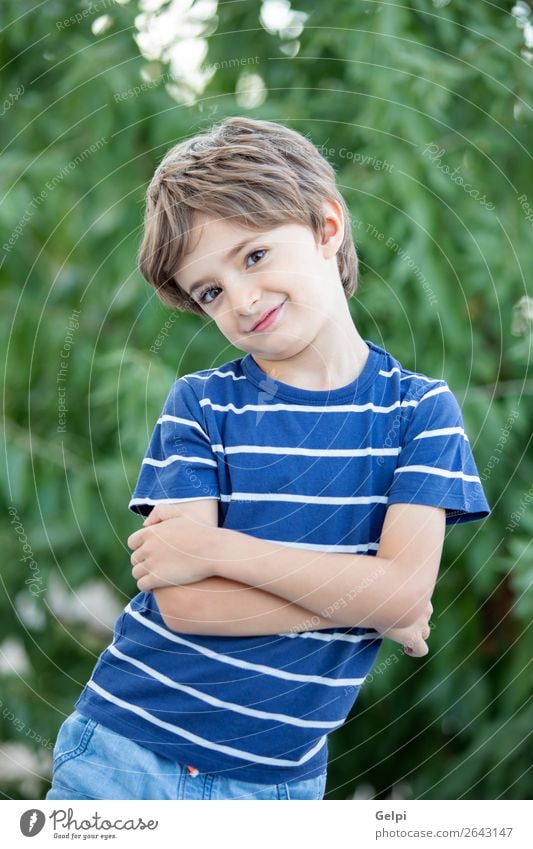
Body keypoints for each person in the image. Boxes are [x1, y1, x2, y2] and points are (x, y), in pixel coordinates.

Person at [46, 116, 490, 801]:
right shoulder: (200, 406)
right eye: (211, 291)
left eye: (252, 256)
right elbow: (186, 602)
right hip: (128, 754)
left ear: (325, 227)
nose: (241, 299)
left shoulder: (417, 414)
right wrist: (366, 601)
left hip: (276, 789)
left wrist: (215, 546)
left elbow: (404, 591)